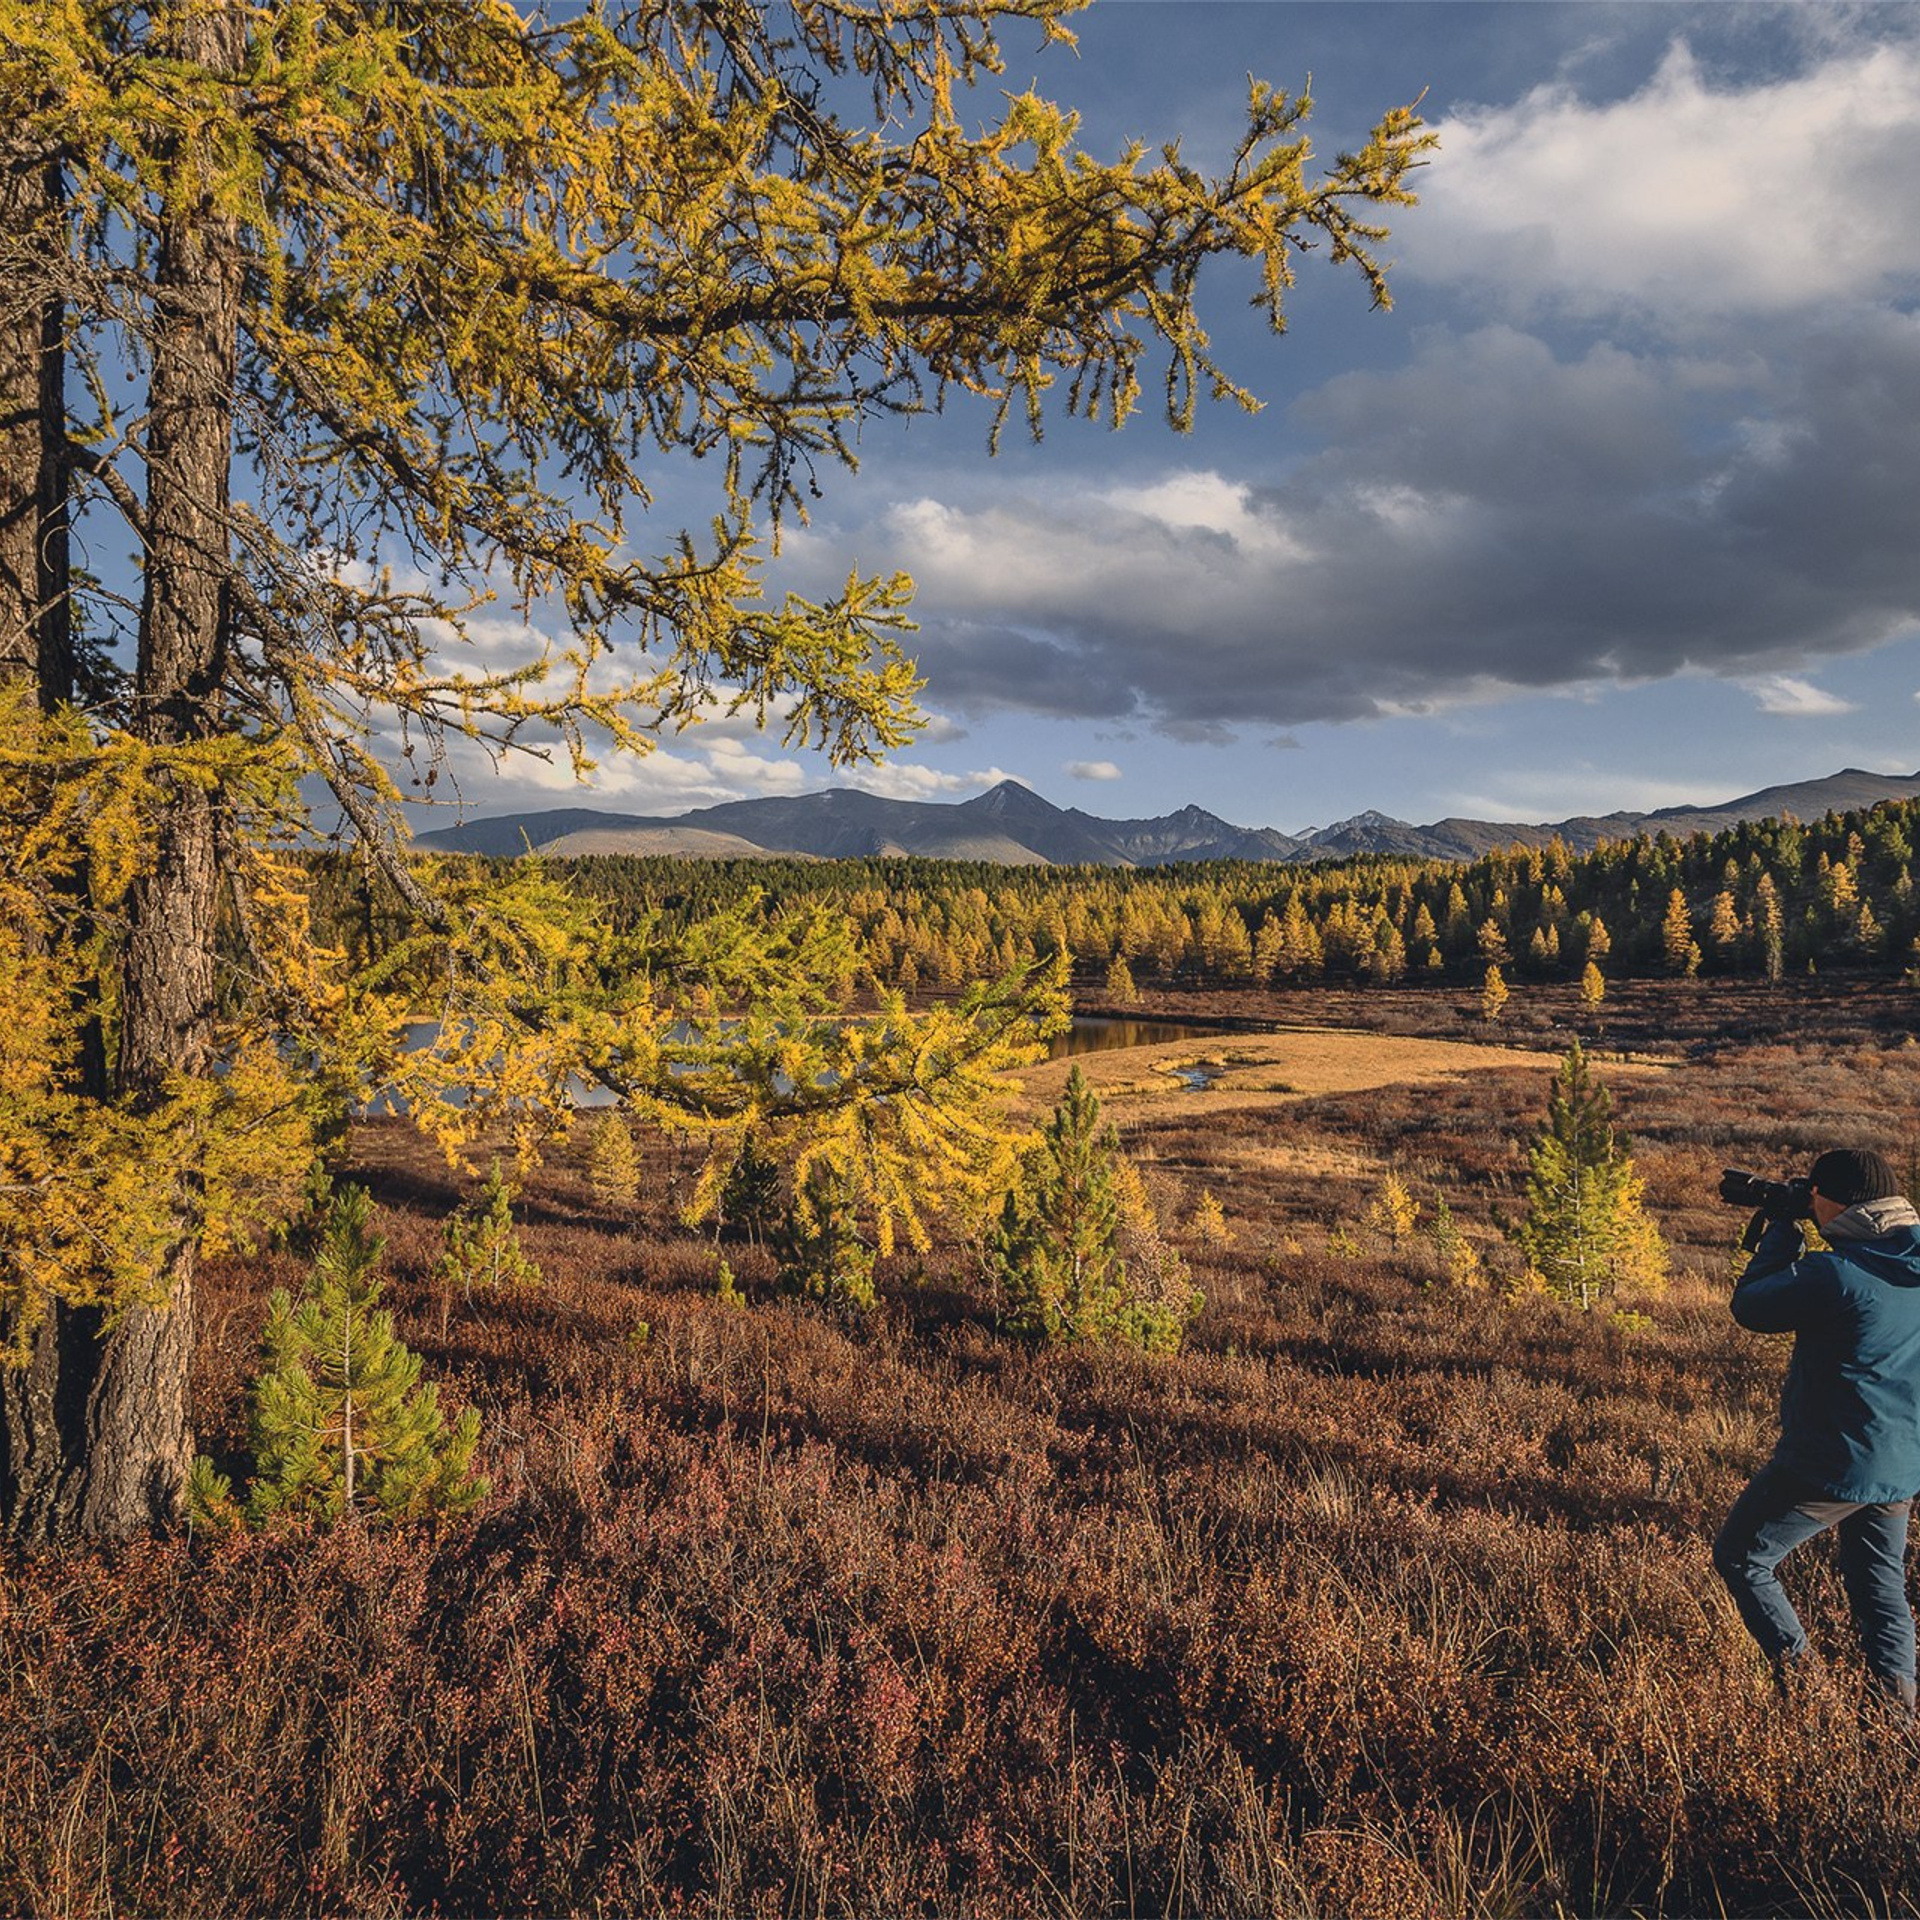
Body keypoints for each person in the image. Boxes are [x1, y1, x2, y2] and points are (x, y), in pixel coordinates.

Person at [1713, 1148, 1920, 1712]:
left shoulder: (1837, 1274)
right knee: (1881, 1592)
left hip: (1830, 1462)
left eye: (1815, 1195)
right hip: (1901, 1461)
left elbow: (1753, 1307)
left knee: (1743, 1558)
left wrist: (1783, 1227)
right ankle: (1897, 1721)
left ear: (1835, 1201)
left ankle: (1809, 1700)